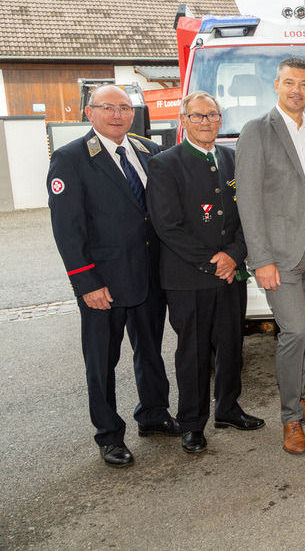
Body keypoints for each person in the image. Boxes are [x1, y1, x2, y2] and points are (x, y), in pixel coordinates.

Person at [47, 85, 177, 468]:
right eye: (108, 108)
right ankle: (108, 434)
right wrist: (86, 283)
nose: (117, 115)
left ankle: (153, 414)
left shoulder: (148, 151)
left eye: (124, 108)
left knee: (150, 350)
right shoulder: (71, 158)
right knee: (102, 360)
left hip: (150, 276)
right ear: (90, 113)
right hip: (104, 282)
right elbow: (67, 229)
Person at [147, 91, 265, 454]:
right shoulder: (166, 163)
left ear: (220, 120)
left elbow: (250, 214)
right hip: (189, 277)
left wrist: (234, 254)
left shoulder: (232, 158)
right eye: (197, 116)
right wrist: (216, 261)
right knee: (194, 353)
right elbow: (168, 226)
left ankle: (227, 408)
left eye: (212, 115)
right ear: (183, 120)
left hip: (231, 274)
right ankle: (193, 422)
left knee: (231, 346)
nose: (205, 122)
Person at [235, 57, 305, 454]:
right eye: (290, 82)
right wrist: (261, 259)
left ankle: (299, 398)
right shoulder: (257, 131)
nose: (297, 90)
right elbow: (249, 201)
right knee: (293, 331)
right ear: (276, 85)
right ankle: (290, 418)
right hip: (279, 254)